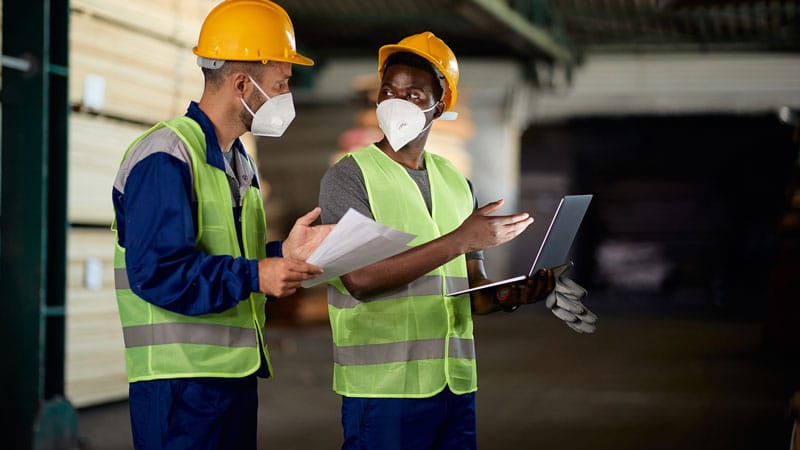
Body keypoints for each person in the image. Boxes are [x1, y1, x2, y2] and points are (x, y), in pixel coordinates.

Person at [318, 31, 563, 450]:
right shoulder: (349, 176)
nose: (397, 101)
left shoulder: (456, 182)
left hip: (454, 386)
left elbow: (474, 292)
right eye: (388, 91)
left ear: (441, 105)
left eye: (413, 93)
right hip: (383, 392)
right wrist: (459, 240)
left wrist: (514, 294)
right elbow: (357, 280)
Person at [111, 1, 331, 449]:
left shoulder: (237, 161)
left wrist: (280, 257)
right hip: (178, 384)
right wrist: (256, 274)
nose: (287, 95)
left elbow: (228, 258)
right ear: (242, 84)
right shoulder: (166, 156)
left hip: (228, 377)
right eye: (281, 84)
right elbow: (158, 272)